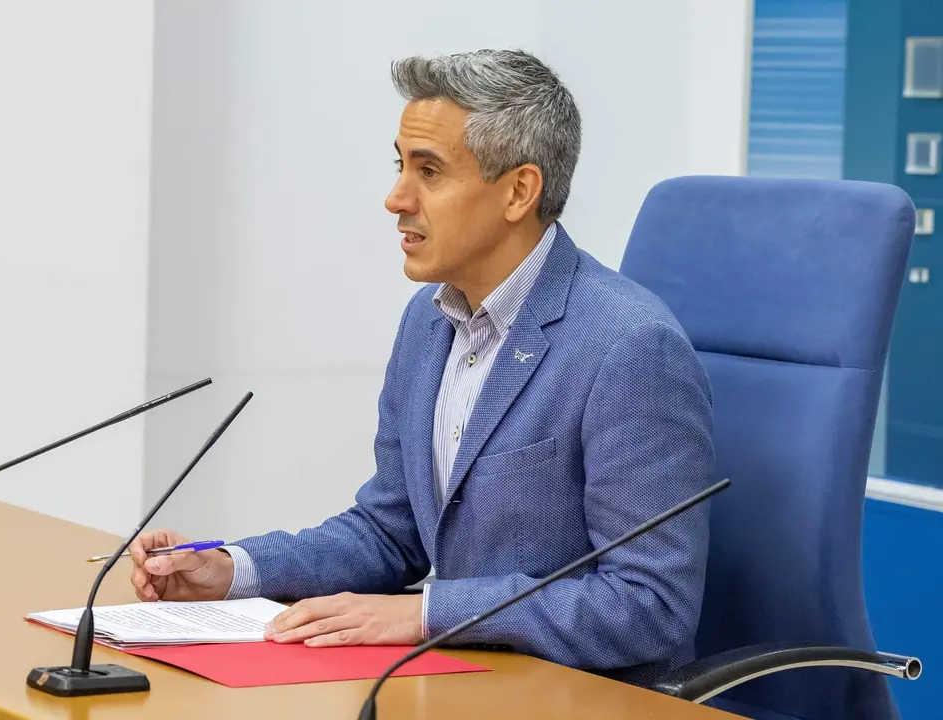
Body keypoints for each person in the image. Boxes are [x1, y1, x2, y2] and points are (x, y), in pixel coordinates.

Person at [129, 48, 715, 686]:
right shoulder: (428, 320)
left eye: (429, 172)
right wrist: (235, 570)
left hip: (583, 697)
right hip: (458, 682)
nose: (395, 198)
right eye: (400, 165)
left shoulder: (628, 345)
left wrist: (428, 613)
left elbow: (650, 606)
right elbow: (392, 531)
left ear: (519, 191)